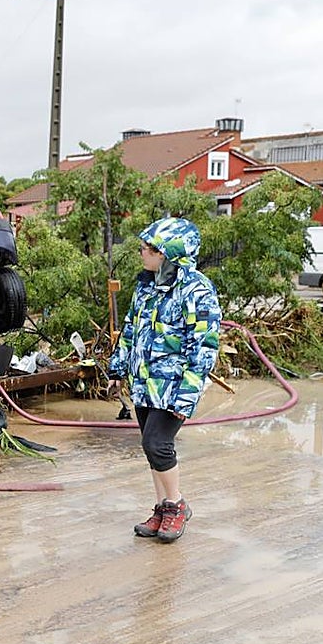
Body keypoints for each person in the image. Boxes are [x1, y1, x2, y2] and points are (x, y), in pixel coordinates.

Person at [107, 217, 221, 543]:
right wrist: (118, 370)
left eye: (149, 249)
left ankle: (176, 505)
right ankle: (161, 508)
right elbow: (130, 330)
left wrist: (187, 396)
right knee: (150, 449)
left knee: (157, 444)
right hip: (144, 382)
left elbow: (204, 347)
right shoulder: (147, 286)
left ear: (170, 254)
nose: (142, 253)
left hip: (173, 385)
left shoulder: (198, 290)